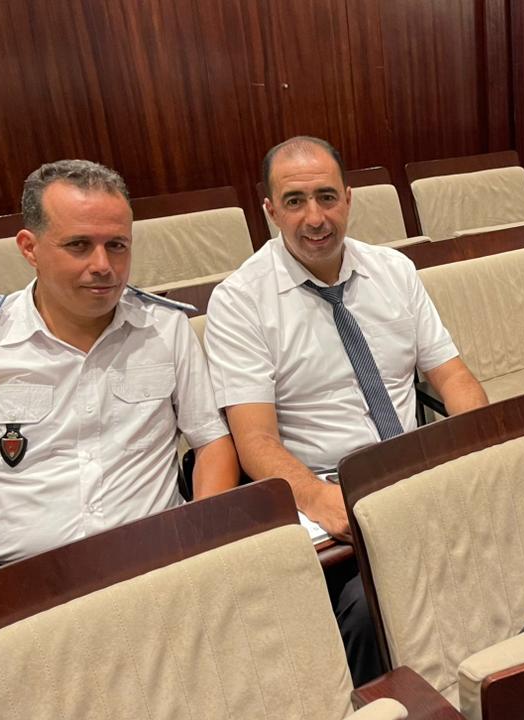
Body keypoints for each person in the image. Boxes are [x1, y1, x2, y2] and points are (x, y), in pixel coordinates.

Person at [203, 136, 488, 682]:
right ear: (269, 210)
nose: (315, 218)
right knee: (371, 606)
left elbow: (453, 377)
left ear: (349, 199)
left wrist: (478, 448)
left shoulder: (394, 271)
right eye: (294, 201)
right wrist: (318, 497)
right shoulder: (240, 301)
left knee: (501, 549)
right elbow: (255, 440)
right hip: (327, 491)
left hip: (415, 473)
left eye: (327, 197)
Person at [0, 159, 239, 599]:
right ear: (29, 248)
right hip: (13, 584)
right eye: (79, 245)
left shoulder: (165, 328)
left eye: (117, 245)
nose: (103, 265)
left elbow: (211, 440)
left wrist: (205, 534)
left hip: (158, 564)